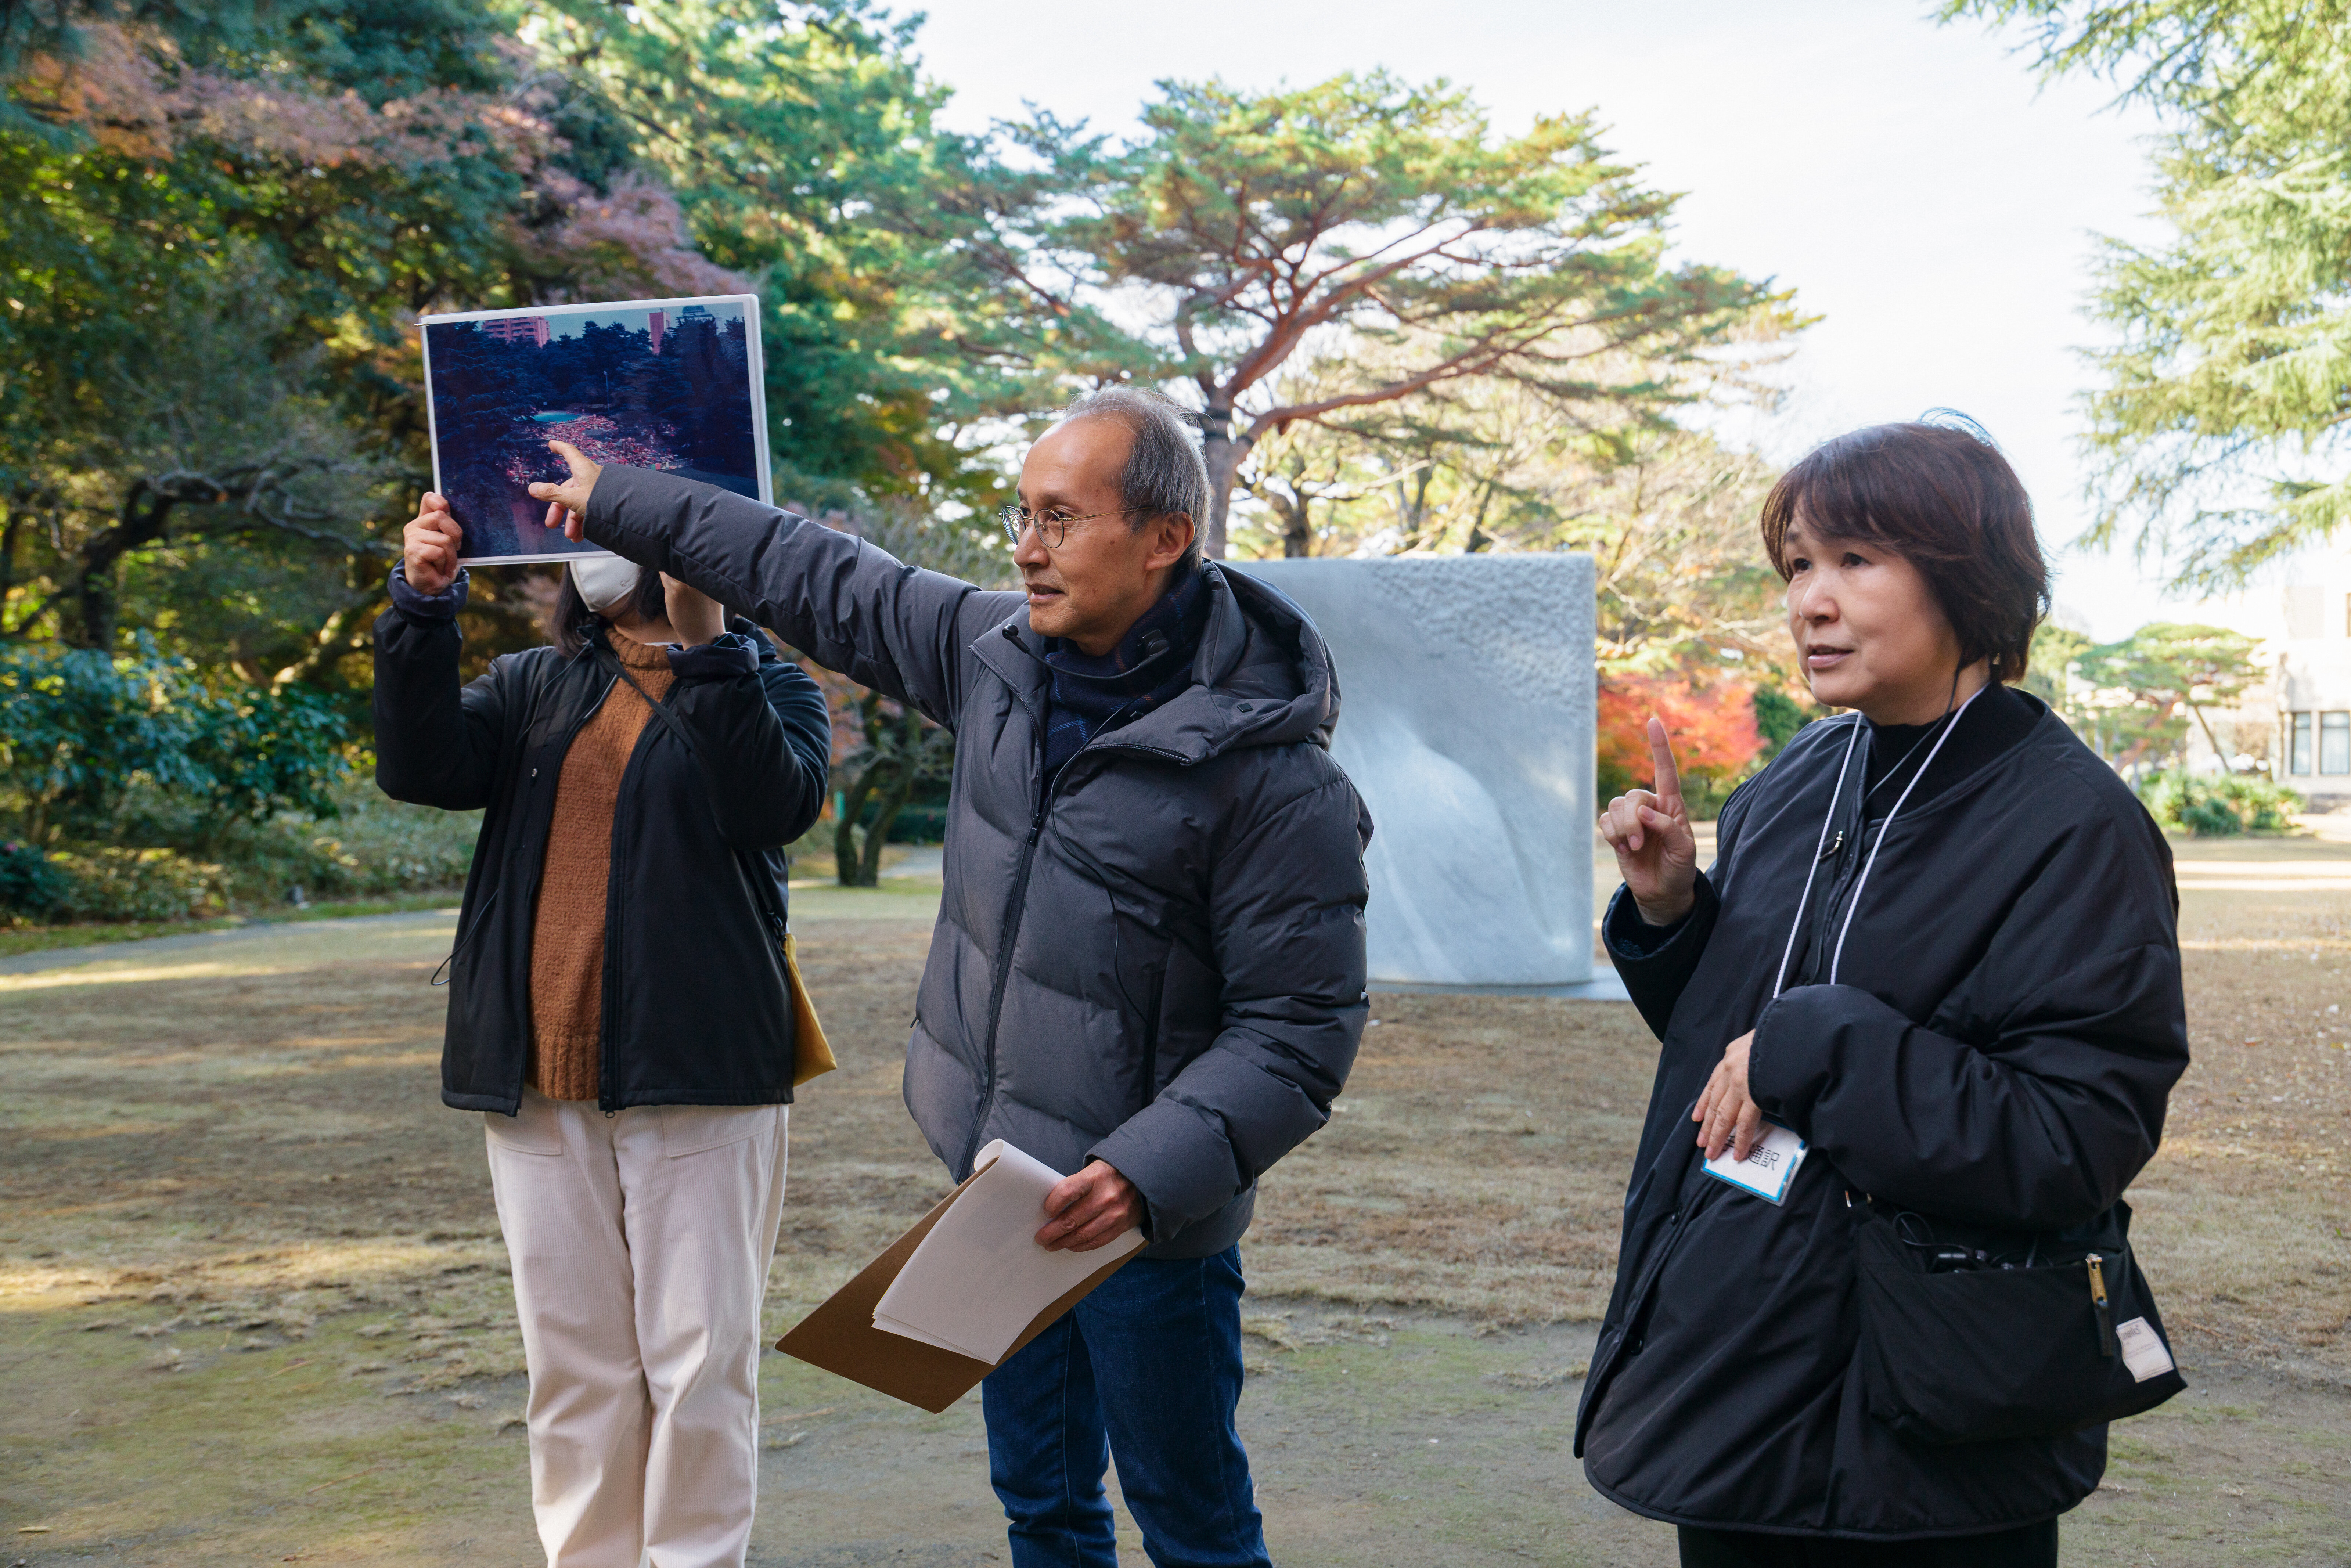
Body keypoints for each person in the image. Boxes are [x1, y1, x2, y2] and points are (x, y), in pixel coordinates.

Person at [525, 386, 1372, 1568]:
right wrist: (625, 499)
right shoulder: (993, 661)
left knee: (1197, 1530)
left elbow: (1299, 1030)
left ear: (1165, 537)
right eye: (1021, 514)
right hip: (999, 1202)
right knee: (1043, 1510)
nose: (1026, 548)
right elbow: (810, 570)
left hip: (1146, 1233)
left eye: (1062, 519)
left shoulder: (1277, 780)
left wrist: (1140, 1173)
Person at [1582, 419, 2189, 1565]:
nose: (1811, 599)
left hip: (1935, 1417)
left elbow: (2075, 1136)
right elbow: (1737, 1068)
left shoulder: (2075, 827)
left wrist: (1815, 1041)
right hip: (1745, 1379)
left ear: (1968, 578)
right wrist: (1674, 915)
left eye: (1856, 561)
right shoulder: (1796, 784)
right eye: (1800, 563)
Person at [374, 499, 832, 1568]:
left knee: (700, 1362)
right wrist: (423, 607)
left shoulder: (772, 684)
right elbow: (421, 767)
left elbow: (771, 803)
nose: (587, 545)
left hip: (702, 1074)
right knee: (574, 1367)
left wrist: (706, 638)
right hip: (536, 1080)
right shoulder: (537, 686)